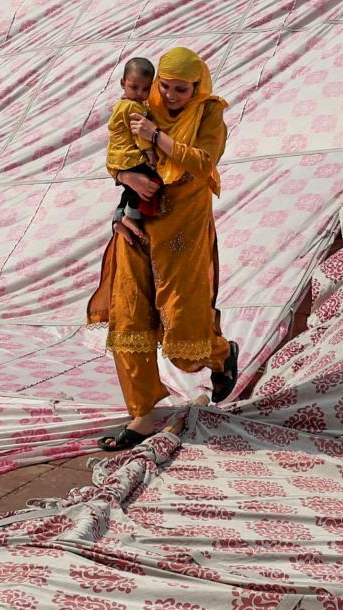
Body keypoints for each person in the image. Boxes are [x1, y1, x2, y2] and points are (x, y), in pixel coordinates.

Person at [87, 44, 239, 449]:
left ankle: (220, 354)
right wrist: (125, 178)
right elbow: (120, 151)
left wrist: (157, 136)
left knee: (182, 327)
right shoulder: (142, 105)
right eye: (165, 87)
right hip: (136, 224)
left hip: (182, 230)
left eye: (181, 90)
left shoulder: (210, 114)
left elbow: (204, 162)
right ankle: (141, 416)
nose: (170, 96)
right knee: (128, 316)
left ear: (197, 87)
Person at [105, 56, 168, 228]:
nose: (139, 93)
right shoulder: (134, 107)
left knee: (129, 188)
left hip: (117, 157)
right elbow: (140, 134)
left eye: (145, 89)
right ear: (122, 82)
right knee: (153, 180)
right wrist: (149, 154)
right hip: (130, 156)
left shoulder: (121, 104)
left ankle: (119, 217)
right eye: (134, 87)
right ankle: (131, 216)